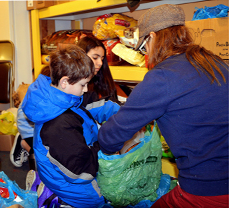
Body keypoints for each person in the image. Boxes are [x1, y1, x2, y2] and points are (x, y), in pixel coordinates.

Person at [98, 4, 228, 207]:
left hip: (207, 188)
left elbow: (110, 137)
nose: (146, 53)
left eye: (144, 47)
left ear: (152, 37)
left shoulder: (163, 76)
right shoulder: (214, 63)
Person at [21, 45, 120, 207]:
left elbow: (87, 110)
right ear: (64, 81)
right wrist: (106, 144)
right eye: (83, 85)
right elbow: (81, 171)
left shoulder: (60, 98)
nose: (86, 89)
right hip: (80, 191)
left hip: (73, 170)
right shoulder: (58, 125)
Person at [10, 36, 122, 168]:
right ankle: (24, 144)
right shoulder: (56, 80)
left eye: (102, 59)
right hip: (30, 128)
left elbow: (88, 107)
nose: (99, 63)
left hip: (55, 126)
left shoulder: (81, 82)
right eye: (95, 57)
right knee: (52, 156)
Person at [10, 66, 50, 168]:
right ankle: (23, 142)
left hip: (39, 129)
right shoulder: (37, 96)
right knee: (41, 155)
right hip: (29, 130)